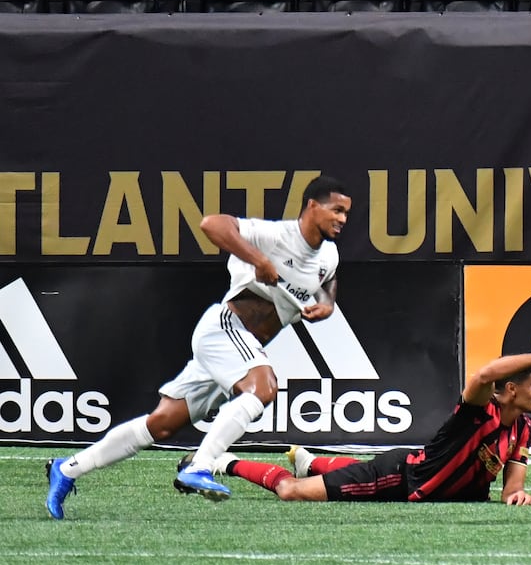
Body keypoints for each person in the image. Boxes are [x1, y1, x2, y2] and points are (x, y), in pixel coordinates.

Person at [43, 176, 353, 519]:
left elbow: (327, 286)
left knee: (159, 425)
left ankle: (68, 468)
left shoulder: (329, 255)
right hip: (225, 328)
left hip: (239, 347)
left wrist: (327, 306)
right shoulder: (275, 236)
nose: (342, 219)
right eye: (336, 210)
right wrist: (259, 261)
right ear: (312, 205)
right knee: (262, 387)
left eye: (346, 213)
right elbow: (211, 224)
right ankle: (200, 465)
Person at [218, 318, 531, 504]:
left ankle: (310, 460)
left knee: (343, 471)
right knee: (292, 493)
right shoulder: (478, 410)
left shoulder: (523, 429)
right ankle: (225, 463)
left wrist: (515, 497)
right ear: (509, 390)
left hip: (415, 470)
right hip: (400, 479)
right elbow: (484, 373)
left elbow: (511, 489)